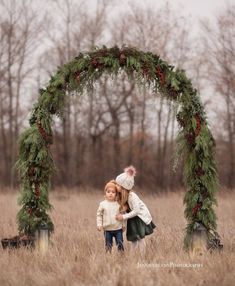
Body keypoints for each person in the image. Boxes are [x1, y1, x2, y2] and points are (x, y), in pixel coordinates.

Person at [115, 166, 156, 255]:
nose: (116, 186)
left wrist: (123, 217)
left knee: (140, 238)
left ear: (124, 187)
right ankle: (132, 256)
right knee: (133, 238)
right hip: (132, 218)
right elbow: (127, 211)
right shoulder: (124, 197)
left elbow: (136, 211)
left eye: (118, 185)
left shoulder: (132, 196)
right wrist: (124, 223)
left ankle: (142, 256)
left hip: (139, 218)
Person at [97, 180, 126, 253]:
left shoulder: (118, 204)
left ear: (116, 194)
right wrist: (99, 224)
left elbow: (122, 215)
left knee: (120, 243)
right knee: (108, 245)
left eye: (113, 192)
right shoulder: (102, 204)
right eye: (108, 192)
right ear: (105, 193)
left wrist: (123, 225)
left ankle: (121, 256)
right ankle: (108, 258)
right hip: (107, 229)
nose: (110, 194)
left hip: (118, 228)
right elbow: (99, 215)